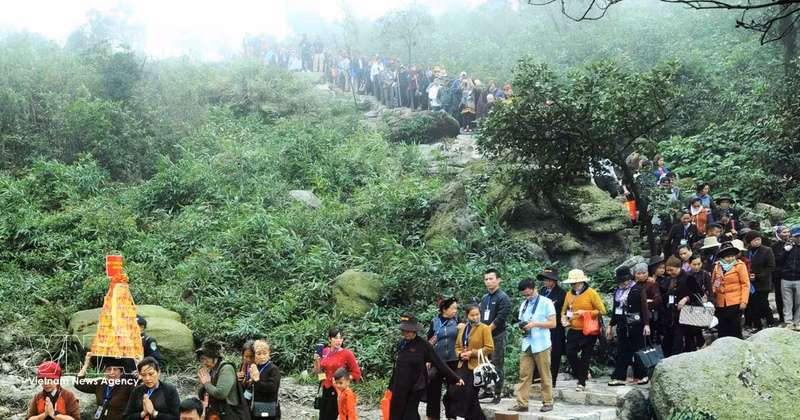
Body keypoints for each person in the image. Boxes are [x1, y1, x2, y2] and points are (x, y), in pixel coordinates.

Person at [387, 313, 464, 420]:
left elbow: (439, 362)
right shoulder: (401, 344)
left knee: (410, 415)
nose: (405, 333)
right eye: (403, 331)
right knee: (396, 413)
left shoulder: (423, 345)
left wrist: (455, 378)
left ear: (414, 330)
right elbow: (396, 367)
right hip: (399, 386)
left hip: (415, 385)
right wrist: (391, 386)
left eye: (408, 331)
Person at [510, 278, 556, 413]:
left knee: (544, 374)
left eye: (529, 294)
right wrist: (522, 327)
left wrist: (535, 324)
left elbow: (553, 323)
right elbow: (522, 321)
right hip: (527, 343)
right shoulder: (524, 304)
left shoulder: (546, 302)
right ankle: (522, 403)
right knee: (524, 374)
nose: (527, 297)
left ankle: (548, 402)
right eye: (524, 295)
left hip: (542, 343)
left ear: (535, 288)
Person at [560, 269, 606, 392]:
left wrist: (586, 313)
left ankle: (581, 382)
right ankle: (584, 373)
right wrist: (563, 318)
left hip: (589, 331)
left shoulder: (591, 293)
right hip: (574, 329)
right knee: (569, 353)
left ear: (581, 282)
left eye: (575, 283)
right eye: (571, 283)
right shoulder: (569, 294)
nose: (573, 285)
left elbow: (602, 311)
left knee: (586, 356)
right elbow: (564, 310)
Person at [606, 267, 650, 386]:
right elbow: (615, 311)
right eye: (621, 281)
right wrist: (610, 326)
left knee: (638, 351)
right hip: (622, 325)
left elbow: (644, 308)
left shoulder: (638, 290)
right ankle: (619, 377)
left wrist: (646, 325)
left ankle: (642, 375)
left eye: (625, 281)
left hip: (636, 325)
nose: (623, 283)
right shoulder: (617, 292)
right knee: (622, 351)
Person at [453, 305, 495, 420]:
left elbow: (489, 348)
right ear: (467, 315)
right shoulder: (462, 328)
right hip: (463, 365)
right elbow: (457, 346)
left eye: (477, 314)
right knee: (459, 391)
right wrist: (460, 355)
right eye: (472, 315)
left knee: (470, 393)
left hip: (477, 366)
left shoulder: (484, 328)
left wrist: (472, 353)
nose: (475, 317)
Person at [312, 328, 362, 420]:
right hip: (326, 389)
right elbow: (316, 372)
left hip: (339, 391)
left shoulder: (347, 354)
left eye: (341, 338)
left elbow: (356, 373)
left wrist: (342, 380)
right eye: (335, 338)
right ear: (329, 339)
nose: (338, 341)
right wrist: (317, 361)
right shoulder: (325, 351)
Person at [426, 297, 462, 420]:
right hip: (437, 361)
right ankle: (433, 416)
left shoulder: (457, 320)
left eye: (456, 308)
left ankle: (451, 415)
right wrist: (428, 359)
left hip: (453, 360)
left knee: (452, 390)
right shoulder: (435, 321)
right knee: (434, 390)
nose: (455, 311)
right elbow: (429, 341)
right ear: (444, 309)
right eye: (453, 308)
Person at [478, 269, 510, 404]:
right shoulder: (485, 298)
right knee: (483, 364)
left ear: (498, 280)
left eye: (491, 279)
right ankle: (486, 390)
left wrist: (488, 329)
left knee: (497, 365)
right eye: (486, 279)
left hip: (497, 336)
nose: (488, 282)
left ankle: (497, 393)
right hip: (484, 337)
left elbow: (501, 317)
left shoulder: (503, 297)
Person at [665, 256, 706, 355]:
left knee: (688, 338)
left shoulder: (688, 278)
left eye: (672, 270)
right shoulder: (671, 279)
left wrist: (686, 298)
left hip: (687, 313)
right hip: (673, 314)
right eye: (668, 270)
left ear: (679, 267)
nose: (670, 272)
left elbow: (699, 293)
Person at [75, 352, 134, 420]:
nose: (111, 372)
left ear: (121, 372)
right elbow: (78, 384)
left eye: (115, 369)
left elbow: (141, 392)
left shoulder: (127, 386)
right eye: (109, 369)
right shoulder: (100, 384)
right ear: (105, 371)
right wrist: (86, 364)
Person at [196, 341, 245, 420]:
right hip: (215, 414)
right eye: (202, 359)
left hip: (228, 414)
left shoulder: (226, 369)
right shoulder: (212, 371)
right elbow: (203, 395)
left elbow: (221, 394)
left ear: (215, 357)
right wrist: (203, 384)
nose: (204, 362)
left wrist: (206, 383)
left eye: (206, 359)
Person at [711, 242, 750, 339]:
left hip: (735, 301)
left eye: (732, 256)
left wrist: (743, 301)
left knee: (735, 327)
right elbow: (715, 281)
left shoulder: (740, 265)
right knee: (723, 328)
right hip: (720, 302)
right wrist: (714, 290)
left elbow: (745, 284)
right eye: (727, 257)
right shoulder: (718, 266)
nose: (730, 259)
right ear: (722, 257)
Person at [537, 268, 566, 388]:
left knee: (555, 352)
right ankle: (541, 376)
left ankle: (552, 379)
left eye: (549, 280)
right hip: (543, 326)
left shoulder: (562, 293)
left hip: (556, 327)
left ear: (554, 280)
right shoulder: (542, 291)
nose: (546, 282)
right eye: (545, 279)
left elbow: (565, 310)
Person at [742, 230, 776, 331]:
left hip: (763, 282)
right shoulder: (746, 251)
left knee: (763, 303)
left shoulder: (767, 250)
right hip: (750, 282)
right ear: (749, 242)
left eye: (758, 239)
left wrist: (758, 276)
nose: (757, 242)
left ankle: (770, 321)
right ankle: (757, 325)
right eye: (754, 240)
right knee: (753, 305)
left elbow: (771, 267)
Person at [244, 340, 281, 419]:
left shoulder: (273, 369)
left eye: (265, 353)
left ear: (269, 354)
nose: (262, 357)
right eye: (259, 354)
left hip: (269, 409)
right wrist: (250, 381)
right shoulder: (256, 367)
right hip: (255, 407)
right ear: (255, 355)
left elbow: (272, 388)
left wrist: (257, 380)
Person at [774, 225, 800, 330]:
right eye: (796, 236)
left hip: (799, 278)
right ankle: (788, 322)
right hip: (786, 278)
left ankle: (797, 321)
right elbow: (778, 260)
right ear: (792, 236)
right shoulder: (786, 246)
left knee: (799, 302)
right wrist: (785, 251)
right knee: (787, 301)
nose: (798, 238)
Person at [771, 225, 791, 324]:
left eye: (788, 232)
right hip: (779, 276)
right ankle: (782, 318)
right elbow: (775, 260)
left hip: (792, 274)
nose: (786, 234)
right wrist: (785, 251)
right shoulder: (774, 246)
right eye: (784, 232)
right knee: (779, 297)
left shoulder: (794, 244)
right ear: (778, 233)